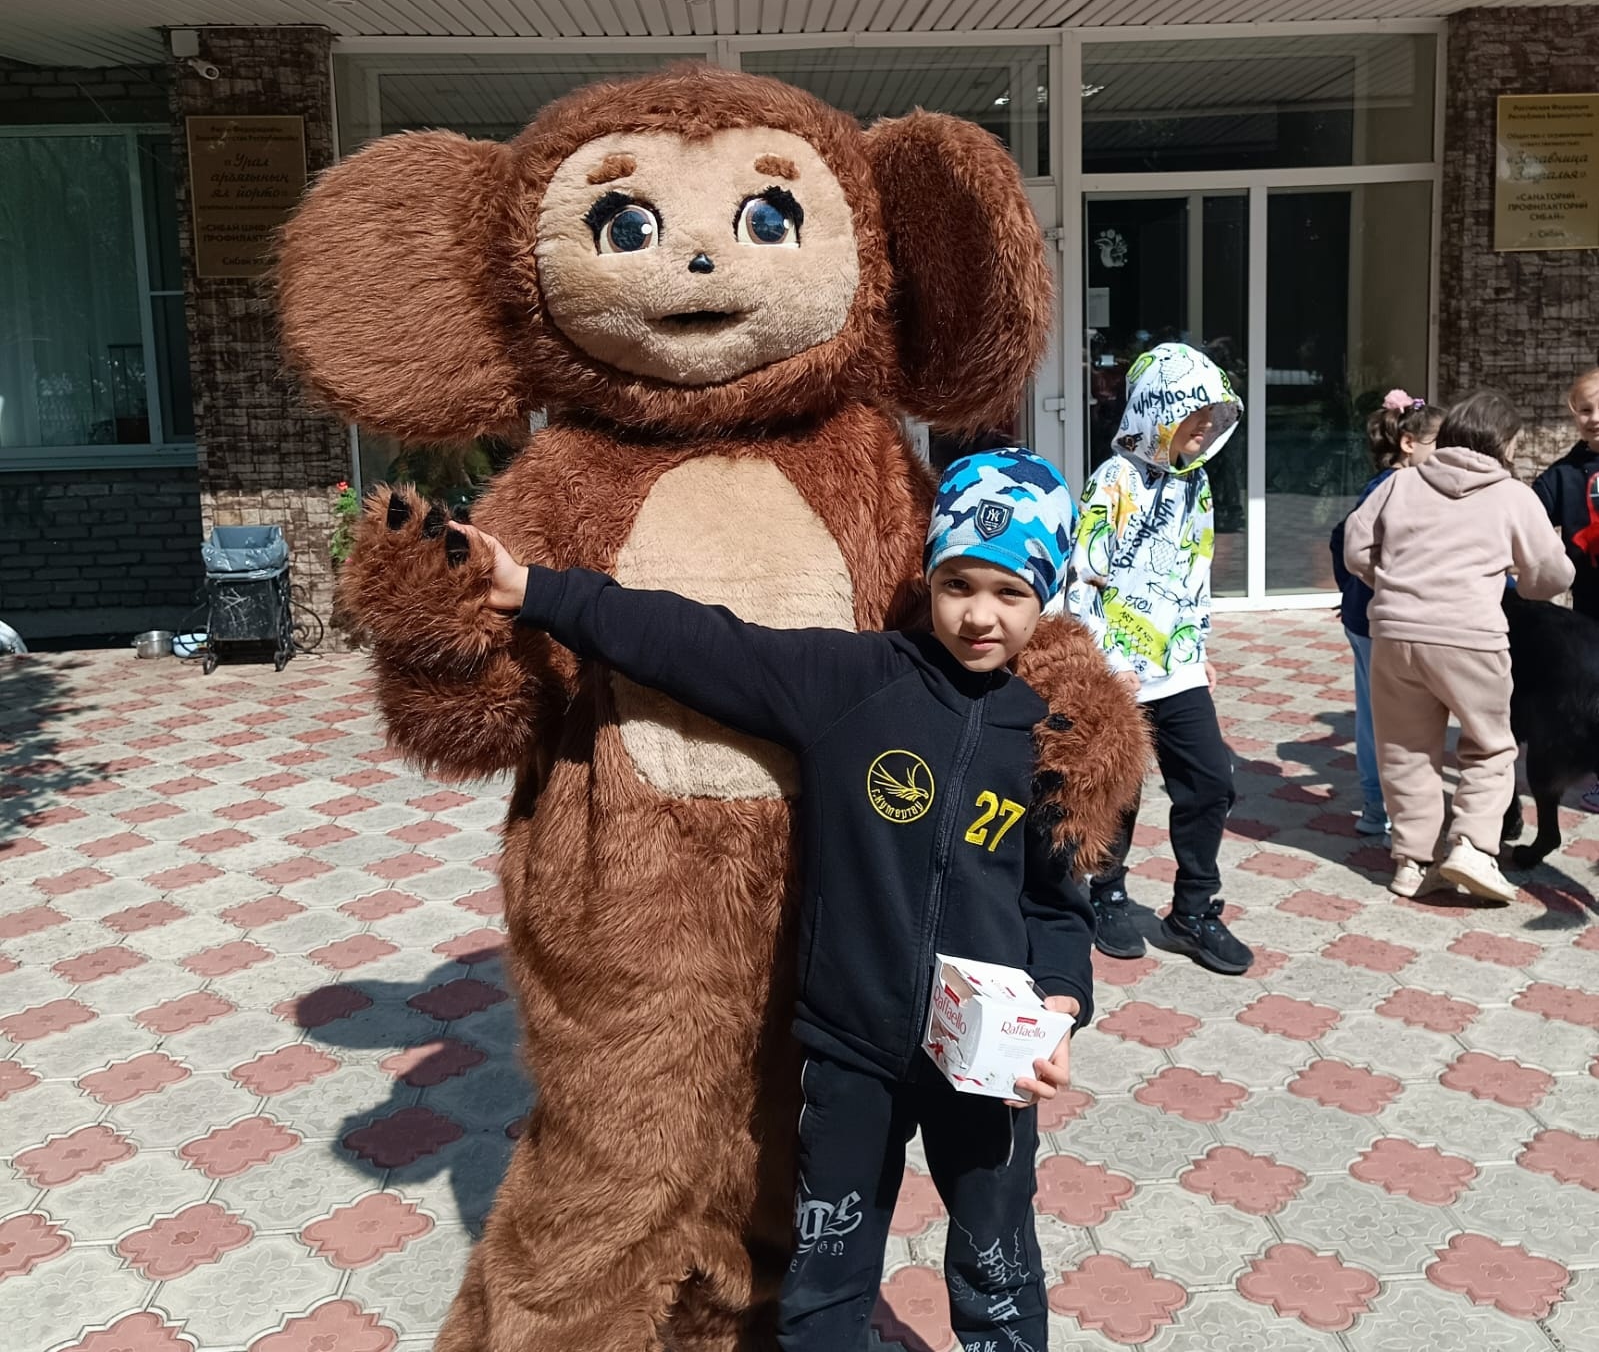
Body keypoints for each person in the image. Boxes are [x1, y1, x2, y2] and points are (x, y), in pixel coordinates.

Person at [452, 448, 1093, 1352]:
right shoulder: (854, 682)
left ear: (1045, 594)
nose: (979, 614)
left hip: (985, 1063)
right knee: (826, 1280)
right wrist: (537, 591)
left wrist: (1058, 1005)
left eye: (1009, 592)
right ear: (929, 576)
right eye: (958, 583)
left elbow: (1058, 901)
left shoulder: (1051, 734)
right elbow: (700, 642)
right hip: (851, 1051)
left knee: (998, 1262)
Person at [1067, 340, 1254, 975]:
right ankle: (1107, 893)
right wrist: (1104, 660)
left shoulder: (1196, 484)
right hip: (1116, 670)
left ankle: (1193, 911)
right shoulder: (1112, 482)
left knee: (1211, 782)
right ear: (1157, 411)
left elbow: (1195, 572)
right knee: (1120, 787)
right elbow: (1084, 578)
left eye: (1212, 421)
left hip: (1176, 670)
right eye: (1193, 417)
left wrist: (1196, 648)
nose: (1204, 431)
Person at [1343, 390, 1574, 903]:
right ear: (1504, 443)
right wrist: (1522, 581)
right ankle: (1472, 847)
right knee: (1490, 746)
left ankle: (1412, 863)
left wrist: (1392, 584)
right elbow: (1553, 574)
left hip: (1395, 634)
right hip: (1471, 637)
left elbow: (1355, 548)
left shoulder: (1400, 483)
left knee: (1405, 749)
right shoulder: (1513, 496)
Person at [1329, 391, 1444, 839]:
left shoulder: (1384, 485)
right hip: (1381, 620)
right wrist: (1364, 588)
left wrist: (1351, 590)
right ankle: (1381, 806)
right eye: (1440, 443)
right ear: (1409, 443)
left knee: (1376, 713)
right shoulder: (1397, 489)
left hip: (1369, 617)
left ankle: (1379, 807)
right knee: (1388, 717)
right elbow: (1346, 541)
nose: (1447, 453)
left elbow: (1340, 539)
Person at [1532, 365, 1599, 811]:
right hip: (1590, 609)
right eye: (1586, 409)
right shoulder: (1562, 475)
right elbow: (1526, 519)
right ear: (1573, 414)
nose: (1595, 418)